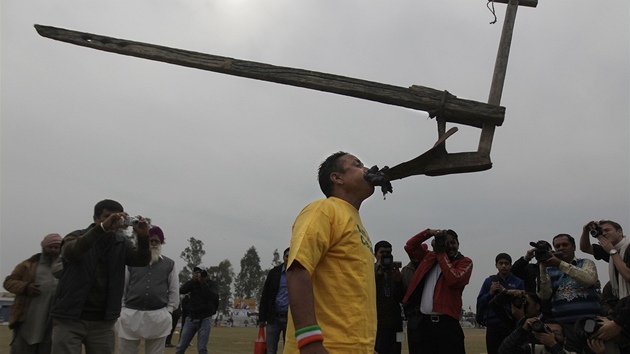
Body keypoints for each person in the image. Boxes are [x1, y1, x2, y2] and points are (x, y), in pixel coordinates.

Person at [284, 151, 377, 354]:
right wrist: (310, 342)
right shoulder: (323, 210)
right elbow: (297, 270)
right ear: (337, 178)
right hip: (325, 348)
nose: (367, 169)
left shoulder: (357, 224)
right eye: (358, 164)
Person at [50, 199, 151, 354]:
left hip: (103, 321)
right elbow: (71, 253)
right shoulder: (76, 236)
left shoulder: (122, 243)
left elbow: (142, 261)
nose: (112, 221)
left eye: (116, 218)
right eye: (107, 217)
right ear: (95, 219)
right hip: (69, 317)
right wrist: (102, 229)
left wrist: (143, 238)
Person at [402, 228, 473, 354]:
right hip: (425, 324)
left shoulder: (465, 262)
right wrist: (429, 232)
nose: (450, 246)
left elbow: (453, 279)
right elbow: (410, 246)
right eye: (446, 243)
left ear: (458, 244)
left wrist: (441, 253)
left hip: (447, 324)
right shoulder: (429, 257)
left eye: (453, 243)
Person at [116, 226, 179, 354]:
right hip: (130, 314)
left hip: (158, 315)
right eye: (151, 241)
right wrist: (122, 308)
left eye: (157, 241)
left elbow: (174, 289)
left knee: (155, 352)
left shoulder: (169, 264)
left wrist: (169, 311)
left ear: (161, 243)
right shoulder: (131, 262)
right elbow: (123, 286)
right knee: (126, 351)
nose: (154, 244)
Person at [538, 233, 601, 353]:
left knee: (592, 349)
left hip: (589, 321)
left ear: (574, 247)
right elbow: (543, 295)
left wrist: (560, 264)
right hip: (565, 324)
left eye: (565, 244)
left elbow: (589, 280)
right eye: (557, 246)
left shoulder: (586, 263)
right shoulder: (549, 270)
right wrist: (542, 267)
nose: (561, 248)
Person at [4, 233, 62, 354]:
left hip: (54, 321)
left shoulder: (65, 266)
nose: (53, 250)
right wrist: (25, 287)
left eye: (57, 247)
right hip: (28, 318)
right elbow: (8, 282)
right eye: (50, 247)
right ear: (43, 246)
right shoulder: (28, 265)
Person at [477, 253, 525, 354]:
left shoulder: (518, 282)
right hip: (493, 326)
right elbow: (480, 303)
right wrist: (490, 293)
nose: (503, 266)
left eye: (506, 263)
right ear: (496, 265)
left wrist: (506, 292)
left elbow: (523, 303)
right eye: (501, 263)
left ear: (511, 266)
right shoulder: (489, 281)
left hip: (511, 326)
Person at [579, 220, 630, 299]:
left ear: (620, 232)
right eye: (601, 231)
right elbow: (585, 248)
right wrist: (585, 230)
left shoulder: (627, 248)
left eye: (607, 230)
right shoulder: (609, 250)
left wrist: (612, 252)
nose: (604, 233)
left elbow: (628, 275)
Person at [175, 265, 219, 354]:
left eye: (200, 273)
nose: (198, 275)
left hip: (205, 319)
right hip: (191, 318)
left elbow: (212, 296)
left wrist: (203, 283)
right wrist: (192, 280)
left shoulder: (212, 284)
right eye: (196, 273)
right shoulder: (192, 284)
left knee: (202, 348)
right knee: (180, 346)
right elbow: (182, 290)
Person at [373, 240, 404, 354]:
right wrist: (379, 273)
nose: (386, 255)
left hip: (394, 324)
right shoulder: (369, 271)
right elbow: (367, 291)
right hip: (377, 325)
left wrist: (399, 281)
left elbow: (402, 298)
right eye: (382, 252)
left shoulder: (394, 272)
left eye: (389, 252)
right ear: (375, 255)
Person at [259, 247, 290, 354]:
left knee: (289, 350)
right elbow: (265, 295)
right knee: (271, 350)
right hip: (274, 318)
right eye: (287, 256)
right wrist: (262, 318)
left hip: (290, 319)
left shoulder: (297, 273)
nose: (288, 258)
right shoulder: (274, 273)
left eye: (291, 256)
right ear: (283, 257)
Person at [511, 240, 554, 317]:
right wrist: (526, 258)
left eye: (545, 250)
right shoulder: (530, 269)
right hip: (533, 311)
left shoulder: (557, 268)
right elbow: (514, 272)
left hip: (554, 309)